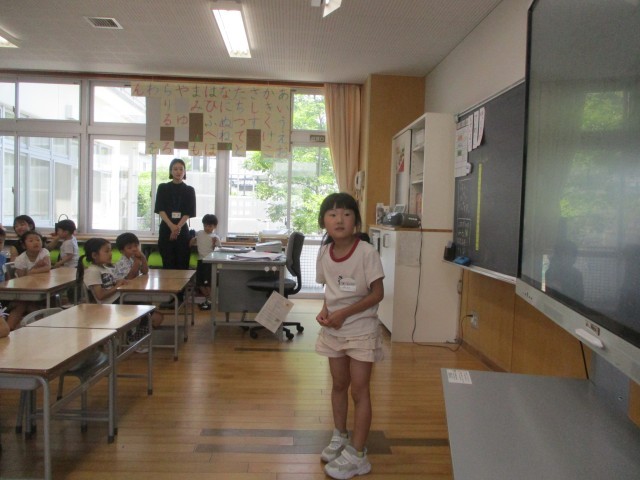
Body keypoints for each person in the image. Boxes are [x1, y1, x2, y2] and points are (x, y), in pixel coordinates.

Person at [315, 192, 385, 480]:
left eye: (346, 213)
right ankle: (340, 435)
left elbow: (377, 294)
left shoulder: (366, 252)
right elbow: (329, 290)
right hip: (334, 330)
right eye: (332, 214)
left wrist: (344, 313)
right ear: (323, 221)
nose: (339, 219)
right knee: (338, 385)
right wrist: (325, 312)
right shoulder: (324, 253)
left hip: (361, 330)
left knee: (359, 390)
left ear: (355, 220)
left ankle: (358, 455)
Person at [114, 232, 163, 329]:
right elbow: (130, 277)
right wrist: (137, 262)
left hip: (134, 290)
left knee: (154, 312)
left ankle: (144, 324)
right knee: (154, 313)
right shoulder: (122, 262)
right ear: (122, 251)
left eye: (136, 246)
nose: (134, 249)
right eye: (129, 247)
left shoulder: (132, 258)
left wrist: (143, 258)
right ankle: (142, 325)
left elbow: (145, 271)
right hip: (124, 294)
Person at [154, 158, 196, 270]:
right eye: (175, 169)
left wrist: (177, 228)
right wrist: (172, 226)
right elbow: (160, 209)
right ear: (170, 171)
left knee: (182, 263)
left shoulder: (189, 190)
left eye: (181, 169)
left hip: (182, 230)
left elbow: (188, 212)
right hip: (166, 229)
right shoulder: (162, 187)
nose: (178, 172)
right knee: (168, 263)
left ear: (185, 172)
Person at [6, 230, 52, 330]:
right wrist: (36, 267)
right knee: (24, 304)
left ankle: (41, 327)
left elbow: (47, 267)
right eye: (31, 241)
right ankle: (9, 329)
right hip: (22, 291)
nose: (36, 242)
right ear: (24, 245)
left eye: (38, 240)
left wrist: (31, 271)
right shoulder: (20, 259)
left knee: (27, 304)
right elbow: (22, 278)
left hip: (40, 286)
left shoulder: (44, 252)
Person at [77, 237, 127, 305]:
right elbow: (100, 296)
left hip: (118, 298)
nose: (111, 254)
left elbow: (109, 285)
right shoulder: (93, 271)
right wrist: (117, 286)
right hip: (111, 304)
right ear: (94, 255)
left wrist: (118, 282)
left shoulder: (105, 268)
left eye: (110, 251)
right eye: (107, 251)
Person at [191, 214, 220, 310]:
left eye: (210, 226)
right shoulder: (199, 233)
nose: (207, 228)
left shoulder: (215, 237)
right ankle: (209, 299)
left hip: (209, 262)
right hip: (200, 261)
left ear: (214, 226)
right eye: (205, 225)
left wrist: (214, 245)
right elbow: (191, 243)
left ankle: (210, 301)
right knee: (199, 283)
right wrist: (192, 240)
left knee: (208, 283)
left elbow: (219, 251)